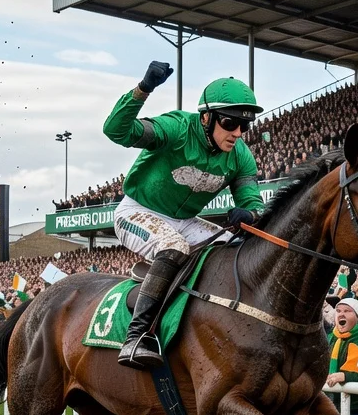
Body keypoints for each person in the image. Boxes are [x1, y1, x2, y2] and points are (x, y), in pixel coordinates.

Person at [103, 60, 266, 369]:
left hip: (185, 221)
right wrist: (143, 89)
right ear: (206, 118)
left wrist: (250, 213)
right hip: (137, 210)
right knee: (174, 247)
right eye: (230, 123)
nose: (238, 133)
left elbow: (253, 201)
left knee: (239, 245)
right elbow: (116, 131)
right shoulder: (177, 128)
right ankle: (137, 337)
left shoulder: (241, 156)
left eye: (245, 126)